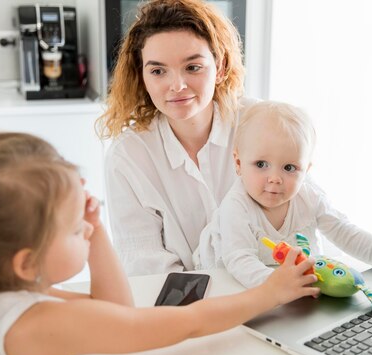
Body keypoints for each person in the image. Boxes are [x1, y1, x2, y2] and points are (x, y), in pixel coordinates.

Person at [0, 132, 319, 355]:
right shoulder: (38, 323)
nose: (88, 228)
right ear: (26, 263)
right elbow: (187, 322)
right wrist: (270, 293)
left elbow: (113, 308)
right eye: (77, 229)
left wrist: (92, 231)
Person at [97, 0, 256, 276]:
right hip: (182, 312)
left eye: (192, 67)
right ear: (142, 76)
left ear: (220, 67)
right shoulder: (129, 156)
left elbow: (301, 220)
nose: (177, 86)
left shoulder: (259, 122)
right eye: (158, 71)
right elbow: (146, 269)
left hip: (270, 293)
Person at [195, 101, 372, 288]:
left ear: (306, 171)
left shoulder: (309, 198)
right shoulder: (236, 206)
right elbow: (241, 261)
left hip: (287, 283)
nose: (275, 178)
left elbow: (345, 233)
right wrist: (284, 285)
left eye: (289, 168)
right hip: (225, 281)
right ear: (238, 163)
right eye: (261, 164)